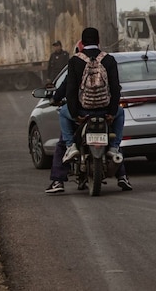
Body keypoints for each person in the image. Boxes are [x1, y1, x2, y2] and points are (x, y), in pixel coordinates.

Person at [46, 30, 132, 193]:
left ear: (82, 43)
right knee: (119, 120)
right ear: (99, 41)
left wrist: (75, 113)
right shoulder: (109, 59)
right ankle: (122, 174)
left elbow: (69, 90)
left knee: (62, 135)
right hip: (105, 111)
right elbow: (115, 88)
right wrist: (112, 112)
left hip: (82, 112)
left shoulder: (75, 61)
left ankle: (60, 176)